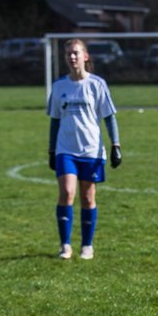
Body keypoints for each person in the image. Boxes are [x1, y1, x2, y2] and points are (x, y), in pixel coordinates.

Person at [47, 39, 121, 260]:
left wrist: (115, 145)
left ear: (85, 56)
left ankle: (87, 245)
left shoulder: (97, 84)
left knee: (88, 197)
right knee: (67, 193)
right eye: (68, 53)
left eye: (76, 53)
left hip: (91, 150)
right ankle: (65, 245)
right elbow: (54, 121)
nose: (72, 57)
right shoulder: (59, 86)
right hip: (65, 149)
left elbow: (109, 117)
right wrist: (52, 150)